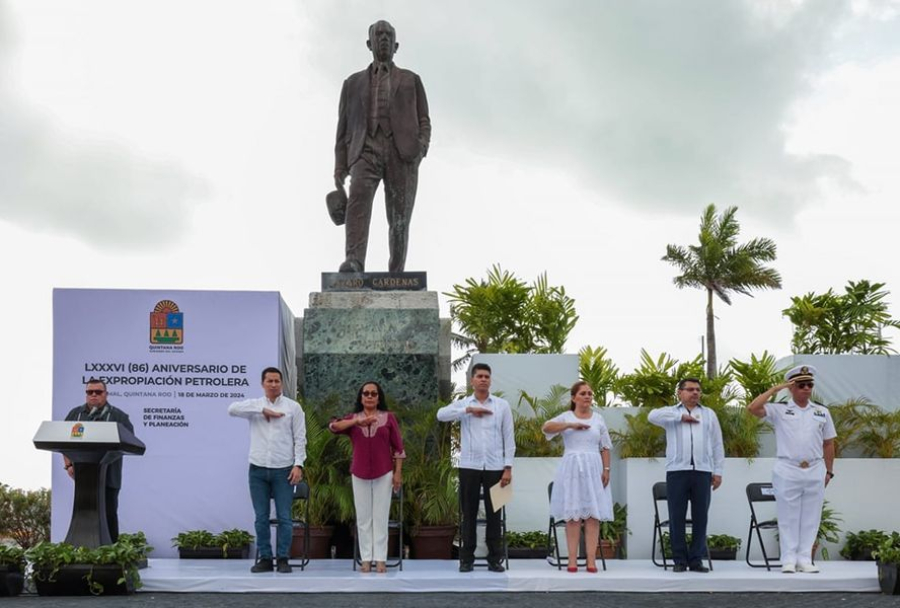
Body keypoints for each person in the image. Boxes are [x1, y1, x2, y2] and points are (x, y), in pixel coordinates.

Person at [333, 20, 431, 273]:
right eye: (379, 35)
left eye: (388, 35)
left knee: (399, 217)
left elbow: (424, 119)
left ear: (396, 45)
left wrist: (421, 148)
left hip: (403, 153)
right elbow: (343, 128)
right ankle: (354, 261)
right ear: (369, 43)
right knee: (357, 203)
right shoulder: (351, 84)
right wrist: (340, 167)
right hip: (365, 150)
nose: (384, 39)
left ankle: (396, 270)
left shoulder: (411, 80)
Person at [748, 364, 836, 574]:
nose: (807, 388)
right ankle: (788, 559)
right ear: (792, 387)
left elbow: (829, 443)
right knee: (788, 516)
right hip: (787, 468)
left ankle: (805, 558)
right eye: (801, 385)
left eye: (809, 384)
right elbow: (753, 408)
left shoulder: (821, 412)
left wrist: (829, 471)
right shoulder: (779, 409)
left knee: (811, 516)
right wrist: (774, 390)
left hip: (815, 468)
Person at [436, 363, 515, 572]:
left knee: (494, 515)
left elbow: (509, 438)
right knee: (468, 514)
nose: (483, 379)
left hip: (497, 467)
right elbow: (440, 415)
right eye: (479, 376)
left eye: (486, 376)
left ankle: (494, 559)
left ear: (490, 380)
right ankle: (467, 559)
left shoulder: (502, 406)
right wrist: (467, 410)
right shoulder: (464, 405)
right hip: (469, 466)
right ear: (472, 381)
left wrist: (508, 468)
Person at [228, 367, 306, 574]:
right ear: (262, 383)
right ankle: (265, 558)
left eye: (277, 381)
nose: (273, 384)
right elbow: (232, 409)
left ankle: (283, 559)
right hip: (258, 469)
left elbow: (300, 438)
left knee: (284, 517)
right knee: (261, 517)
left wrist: (298, 464)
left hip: (284, 470)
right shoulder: (255, 405)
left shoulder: (293, 407)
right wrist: (262, 411)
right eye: (269, 381)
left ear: (282, 383)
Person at [648, 378, 724, 573]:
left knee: (701, 517)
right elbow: (652, 416)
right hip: (677, 471)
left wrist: (718, 472)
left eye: (698, 390)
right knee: (676, 517)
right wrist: (680, 418)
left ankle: (696, 560)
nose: (695, 393)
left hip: (703, 471)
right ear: (680, 393)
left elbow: (717, 444)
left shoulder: (708, 414)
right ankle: (679, 560)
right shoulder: (672, 413)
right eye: (690, 389)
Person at [329, 381, 405, 573]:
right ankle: (366, 559)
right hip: (359, 472)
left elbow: (399, 448)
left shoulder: (388, 418)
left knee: (380, 516)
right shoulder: (353, 419)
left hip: (384, 472)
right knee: (363, 518)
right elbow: (333, 427)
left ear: (379, 397)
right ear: (361, 397)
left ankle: (380, 559)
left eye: (374, 393)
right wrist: (356, 422)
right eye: (366, 393)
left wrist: (397, 473)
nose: (370, 396)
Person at [542, 381, 613, 573]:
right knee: (572, 517)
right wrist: (570, 424)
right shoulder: (566, 417)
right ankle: (571, 560)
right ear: (574, 398)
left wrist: (606, 469)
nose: (588, 396)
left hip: (594, 468)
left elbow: (605, 446)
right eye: (583, 393)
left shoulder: (598, 419)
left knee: (592, 516)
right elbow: (546, 427)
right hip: (572, 468)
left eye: (590, 393)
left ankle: (591, 560)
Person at [63, 378, 133, 543]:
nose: (93, 395)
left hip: (109, 478)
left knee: (108, 514)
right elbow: (63, 441)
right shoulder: (76, 414)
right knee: (84, 514)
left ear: (106, 394)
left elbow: (129, 443)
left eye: (98, 392)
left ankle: (111, 554)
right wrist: (68, 465)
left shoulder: (119, 416)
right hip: (84, 479)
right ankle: (82, 551)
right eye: (90, 392)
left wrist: (103, 462)